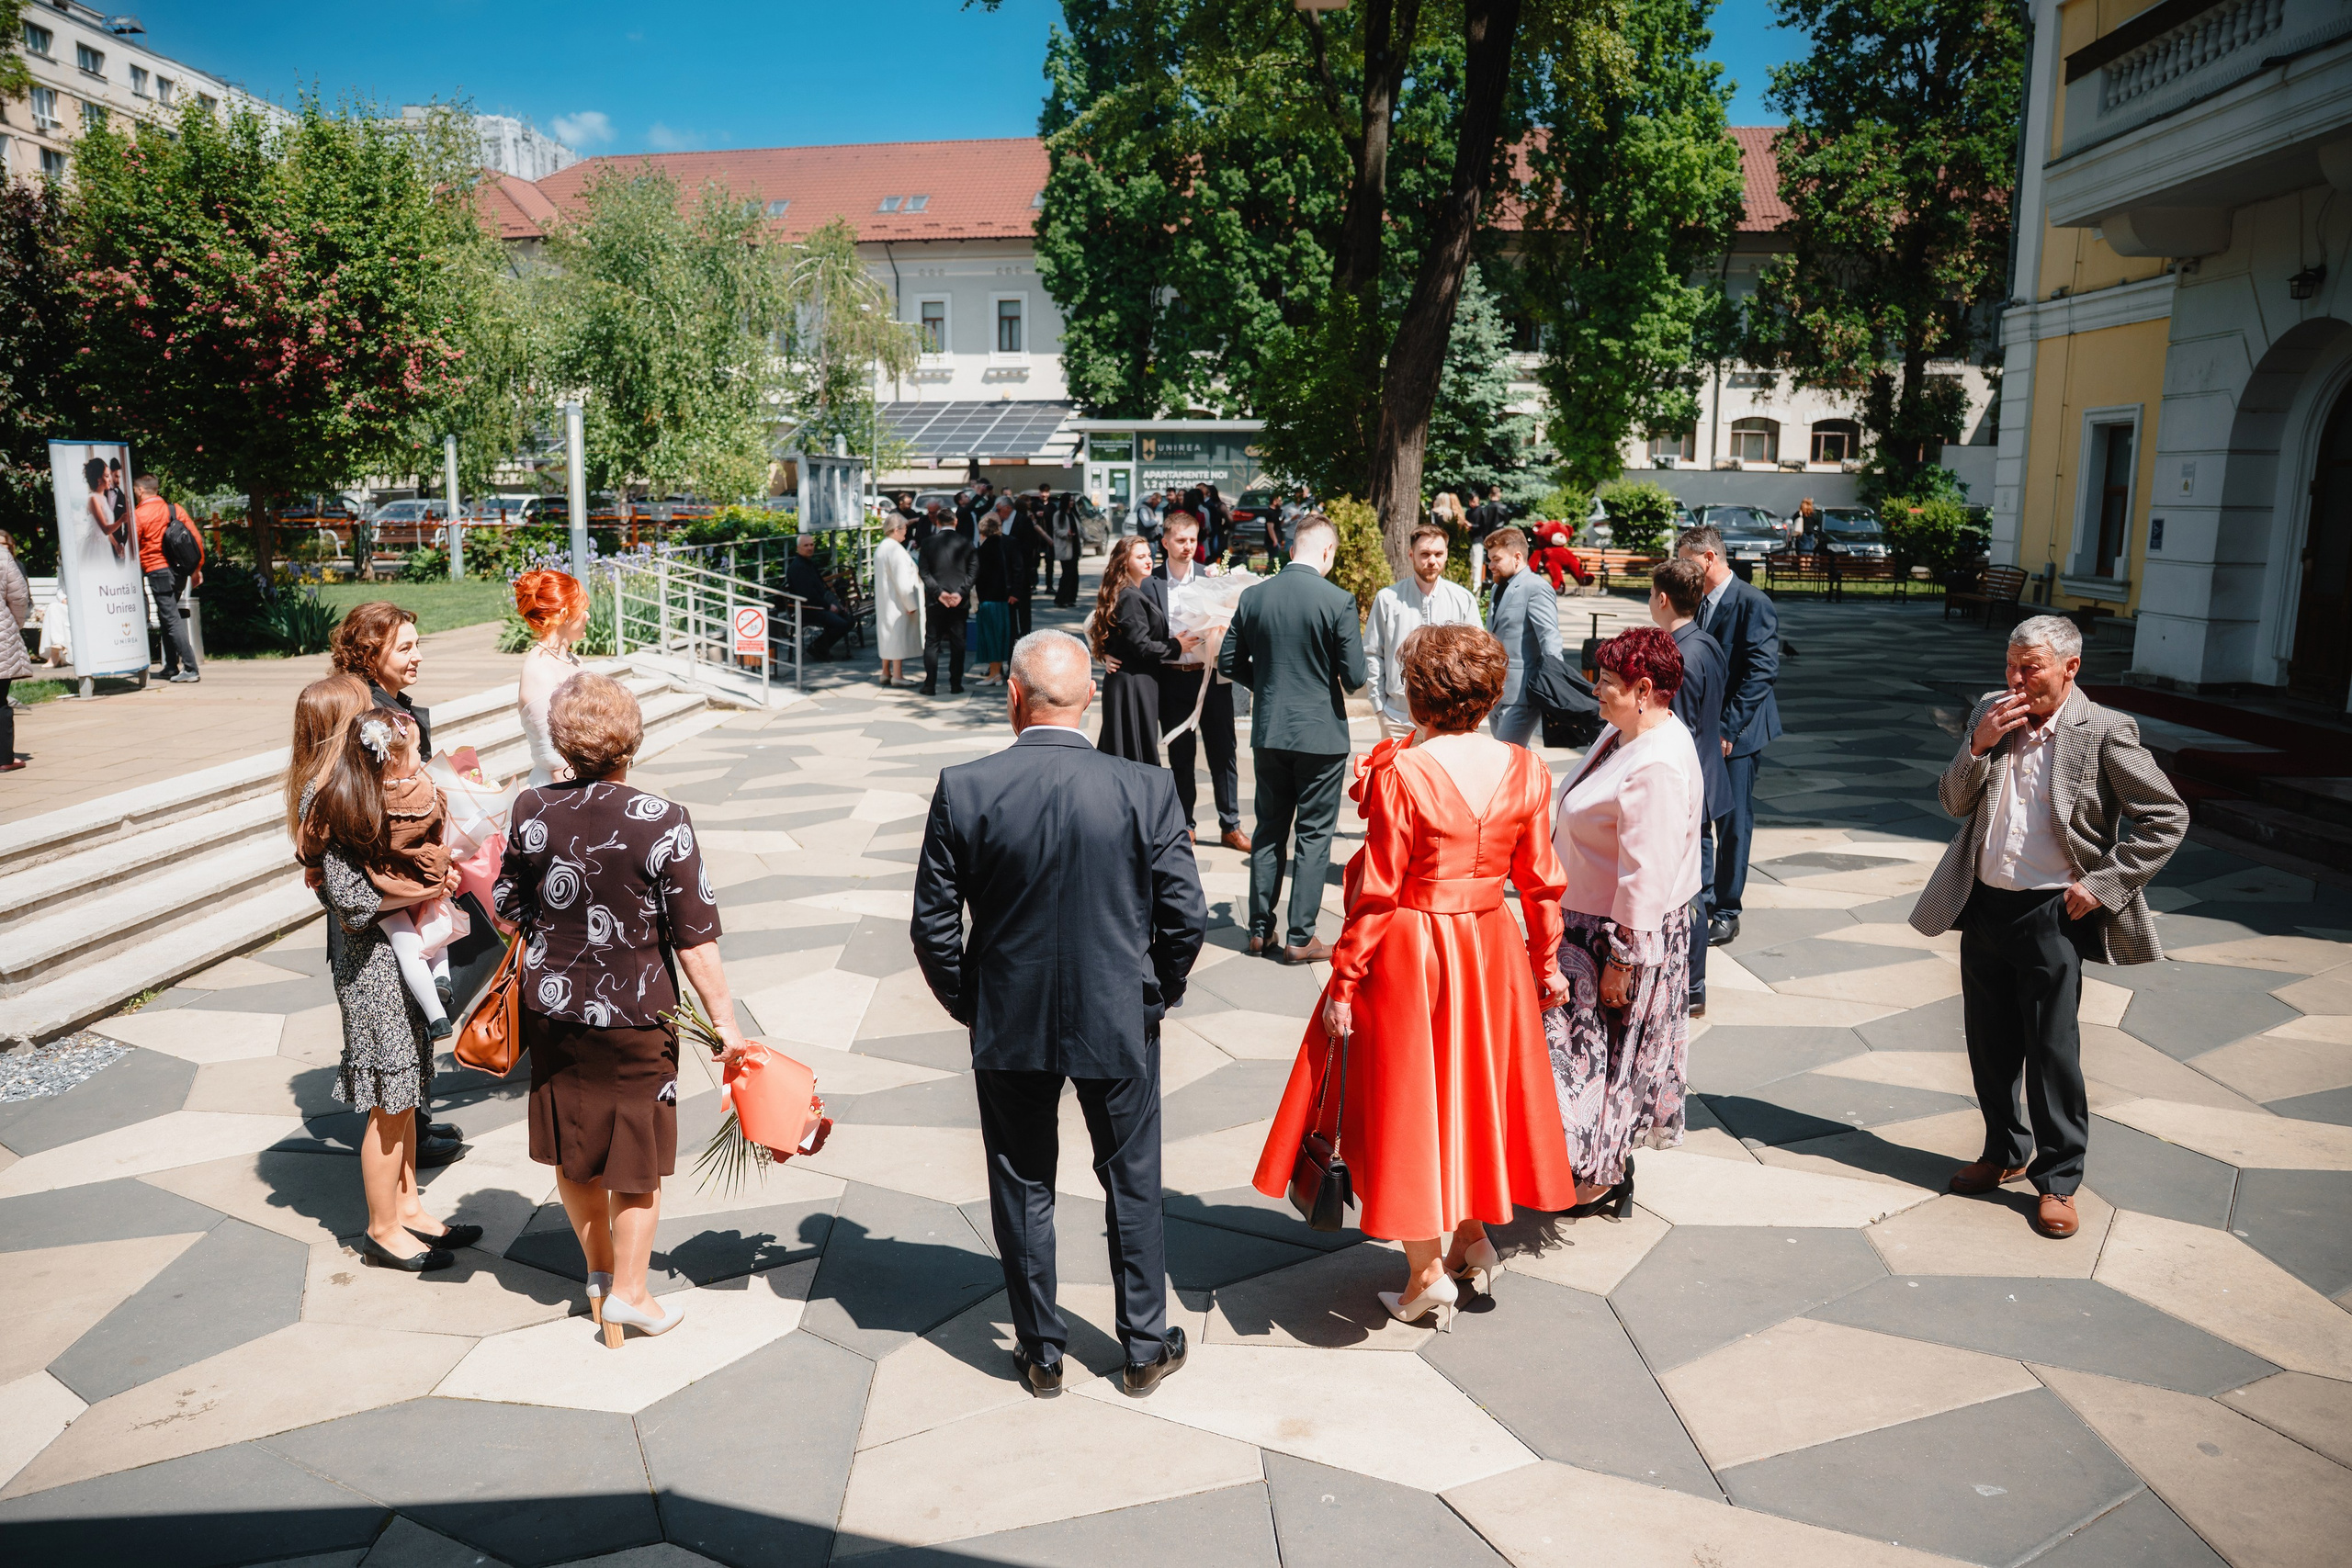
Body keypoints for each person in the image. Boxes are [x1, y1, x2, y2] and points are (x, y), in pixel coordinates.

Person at [1252, 626, 1577, 1328]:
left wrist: (1343, 980)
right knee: (1467, 1096)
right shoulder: (1526, 769)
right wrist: (1546, 965)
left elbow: (1375, 890)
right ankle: (1469, 1239)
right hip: (1491, 946)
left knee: (1410, 1107)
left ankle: (1427, 1272)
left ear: (1421, 695)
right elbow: (1543, 884)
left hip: (1413, 951)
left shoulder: (1406, 773)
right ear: (1492, 691)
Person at [911, 630, 1207, 1396]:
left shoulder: (965, 787)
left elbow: (933, 927)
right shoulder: (1145, 787)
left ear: (1014, 696)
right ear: (1091, 699)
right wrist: (1154, 993)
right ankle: (1144, 1343)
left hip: (1011, 1017)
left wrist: (972, 1003)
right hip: (1118, 1014)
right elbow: (1186, 917)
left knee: (1021, 1182)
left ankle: (1041, 1351)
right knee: (1133, 1181)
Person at [1908, 616, 2188, 1240]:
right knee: (1988, 1041)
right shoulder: (1992, 712)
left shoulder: (2103, 730)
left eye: (2029, 667)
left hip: (2052, 911)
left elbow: (2166, 815)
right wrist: (1976, 745)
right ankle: (2004, 1149)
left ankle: (2059, 1179)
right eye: (2010, 664)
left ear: (2070, 668)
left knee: (2052, 1050)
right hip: (1985, 901)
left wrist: (2103, 884)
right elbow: (1953, 802)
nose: (2014, 679)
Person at [495, 672, 747, 1341]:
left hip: (554, 1009)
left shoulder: (530, 809)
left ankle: (601, 1275)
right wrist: (724, 1022)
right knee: (634, 1158)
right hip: (637, 1017)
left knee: (571, 1148)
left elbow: (508, 906)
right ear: (629, 741)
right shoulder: (663, 821)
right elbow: (696, 940)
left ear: (562, 742)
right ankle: (633, 1293)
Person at [298, 712, 478, 1272]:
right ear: (388, 760)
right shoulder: (346, 817)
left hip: (401, 968)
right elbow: (351, 904)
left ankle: (408, 1208)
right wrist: (422, 889)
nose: (420, 765)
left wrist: (436, 882)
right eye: (414, 755)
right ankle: (381, 1229)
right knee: (388, 1098)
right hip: (372, 972)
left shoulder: (399, 809)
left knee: (407, 1096)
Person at [1544, 626, 1705, 1219]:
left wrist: (1621, 961)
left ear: (1644, 689)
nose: (1597, 691)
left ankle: (1602, 1177)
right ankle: (1584, 1165)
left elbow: (1647, 876)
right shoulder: (1625, 732)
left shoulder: (1658, 762)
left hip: (1614, 938)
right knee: (1580, 1061)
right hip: (1584, 927)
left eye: (1608, 683)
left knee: (1606, 1062)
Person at [1218, 514, 1366, 963]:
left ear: (1292, 548)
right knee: (1314, 835)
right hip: (1320, 734)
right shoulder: (1338, 600)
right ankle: (1301, 937)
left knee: (1268, 830)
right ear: (1326, 551)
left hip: (1270, 730)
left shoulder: (1254, 596)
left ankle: (1260, 931)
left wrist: (1264, 681)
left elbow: (1228, 660)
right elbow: (1356, 677)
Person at [1675, 525, 1781, 946]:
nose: (1682, 566)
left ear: (1709, 559)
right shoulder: (1696, 601)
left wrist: (1727, 728)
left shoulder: (1753, 602)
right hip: (1700, 730)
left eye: (1686, 558)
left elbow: (1761, 673)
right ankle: (1699, 900)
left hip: (1738, 731)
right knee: (1697, 817)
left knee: (1732, 823)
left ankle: (1728, 909)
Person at [1649, 559, 1728, 1016]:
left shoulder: (1679, 653)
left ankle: (1692, 985)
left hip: (1687, 787)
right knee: (1694, 882)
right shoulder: (1706, 641)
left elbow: (1674, 727)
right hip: (1705, 777)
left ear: (1662, 598)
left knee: (1689, 891)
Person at [1148, 513, 1248, 850]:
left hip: (1213, 678)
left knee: (1224, 752)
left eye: (1193, 540)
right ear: (1165, 542)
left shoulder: (1212, 576)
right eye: (1181, 540)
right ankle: (1185, 824)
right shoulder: (1152, 582)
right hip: (1173, 679)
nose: (1188, 546)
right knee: (1181, 755)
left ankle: (1230, 824)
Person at [1365, 525, 1480, 742]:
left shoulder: (1463, 599)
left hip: (1450, 721)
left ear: (1446, 554)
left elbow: (1476, 658)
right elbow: (1372, 653)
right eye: (1425, 554)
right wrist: (1379, 707)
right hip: (1397, 719)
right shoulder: (1387, 599)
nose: (1432, 561)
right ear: (1411, 555)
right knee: (1396, 777)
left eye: (1438, 554)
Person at [1091, 535, 1192, 765]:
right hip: (1133, 683)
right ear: (1125, 562)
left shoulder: (1127, 591)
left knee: (1129, 747)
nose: (1148, 560)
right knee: (1134, 752)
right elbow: (1141, 645)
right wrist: (1177, 646)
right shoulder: (1129, 595)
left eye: (1149, 555)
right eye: (1140, 557)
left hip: (1133, 681)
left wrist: (1103, 652)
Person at [1482, 527, 1561, 749]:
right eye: (1489, 559)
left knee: (1506, 759)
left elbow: (1550, 637)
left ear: (1517, 557)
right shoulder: (1500, 587)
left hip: (1523, 695)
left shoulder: (1536, 587)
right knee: (1516, 762)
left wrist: (1554, 685)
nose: (1491, 565)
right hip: (1497, 693)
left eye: (1496, 559)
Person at [514, 570, 590, 789]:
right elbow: (555, 757)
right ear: (565, 614)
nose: (588, 616)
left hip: (584, 779)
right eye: (583, 609)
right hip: (559, 790)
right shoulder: (539, 670)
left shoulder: (574, 660)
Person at [333, 602, 433, 761]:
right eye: (405, 649)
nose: (418, 657)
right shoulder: (370, 718)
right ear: (371, 657)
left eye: (417, 645)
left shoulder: (388, 703)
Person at [133, 473, 204, 684]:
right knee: (167, 615)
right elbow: (196, 538)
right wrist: (196, 569)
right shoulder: (175, 510)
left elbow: (131, 548)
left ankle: (190, 668)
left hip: (158, 571)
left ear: (139, 491)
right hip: (180, 571)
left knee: (170, 618)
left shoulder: (139, 515)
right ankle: (171, 666)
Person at [920, 515, 978, 696]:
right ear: (956, 521)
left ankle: (930, 685)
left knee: (932, 641)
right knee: (958, 641)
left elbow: (923, 571)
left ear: (937, 523)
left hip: (935, 601)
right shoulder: (966, 542)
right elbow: (974, 570)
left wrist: (938, 592)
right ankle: (956, 684)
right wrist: (960, 592)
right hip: (958, 601)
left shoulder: (928, 542)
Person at [784, 535, 854, 662]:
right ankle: (818, 647)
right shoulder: (798, 567)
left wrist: (836, 604)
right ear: (798, 548)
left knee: (849, 620)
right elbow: (809, 595)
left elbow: (822, 590)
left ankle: (820, 647)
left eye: (811, 544)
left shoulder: (809, 563)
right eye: (806, 545)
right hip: (808, 610)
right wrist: (828, 607)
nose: (810, 548)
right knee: (842, 624)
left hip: (818, 606)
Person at [874, 512, 924, 686]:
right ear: (896, 529)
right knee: (897, 637)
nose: (906, 532)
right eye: (904, 529)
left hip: (887, 600)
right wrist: (911, 603)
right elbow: (902, 581)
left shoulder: (883, 547)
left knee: (888, 636)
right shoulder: (895, 549)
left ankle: (886, 672)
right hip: (897, 602)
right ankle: (897, 675)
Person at [972, 510, 1020, 684]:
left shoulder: (983, 550)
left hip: (990, 599)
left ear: (982, 531)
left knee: (991, 637)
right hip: (1003, 599)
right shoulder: (1003, 545)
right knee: (1001, 636)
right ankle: (997, 673)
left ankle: (995, 674)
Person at [0, 531, 30, 773]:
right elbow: (19, 597)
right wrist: (14, 626)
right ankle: (3, 758)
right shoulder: (2, 555)